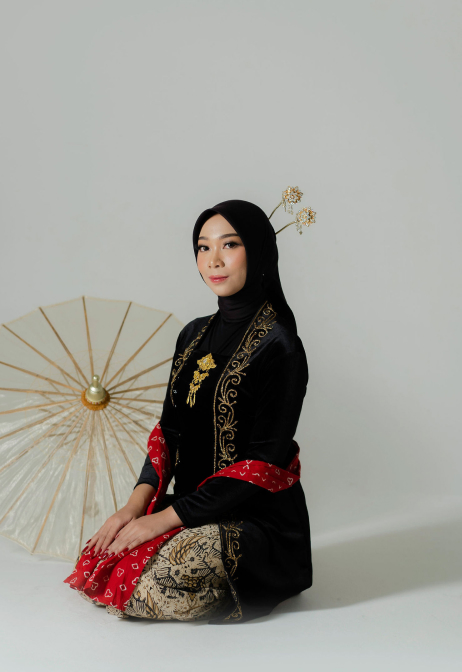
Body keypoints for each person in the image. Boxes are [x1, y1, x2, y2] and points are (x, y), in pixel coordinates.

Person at [65, 199, 312, 624]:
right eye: (203, 247)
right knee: (101, 556)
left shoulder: (280, 345)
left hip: (257, 521)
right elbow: (169, 432)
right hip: (189, 507)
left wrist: (162, 521)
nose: (213, 260)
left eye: (229, 244)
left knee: (157, 583)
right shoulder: (193, 334)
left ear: (258, 251)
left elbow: (262, 461)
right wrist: (134, 509)